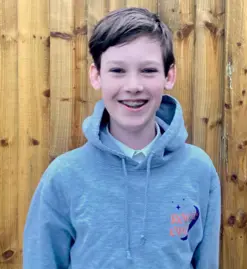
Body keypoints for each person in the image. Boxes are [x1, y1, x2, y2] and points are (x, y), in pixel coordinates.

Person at [22, 7, 221, 269]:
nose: (133, 86)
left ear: (169, 76)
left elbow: (205, 262)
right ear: (96, 75)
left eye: (148, 70)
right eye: (117, 70)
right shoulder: (64, 175)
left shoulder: (199, 169)